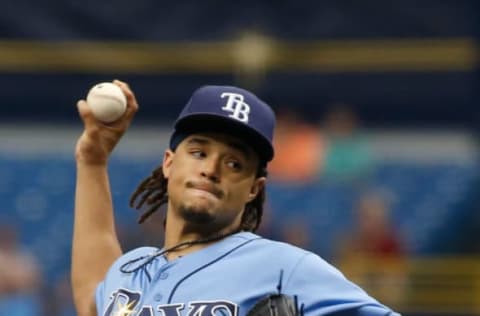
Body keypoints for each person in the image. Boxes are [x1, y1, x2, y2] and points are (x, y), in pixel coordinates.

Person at [72, 80, 401, 315]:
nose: (212, 168)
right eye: (199, 151)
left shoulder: (286, 269)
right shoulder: (132, 269)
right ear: (169, 163)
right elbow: (93, 292)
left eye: (234, 163)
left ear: (253, 189)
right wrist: (93, 161)